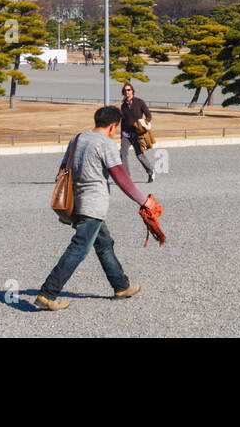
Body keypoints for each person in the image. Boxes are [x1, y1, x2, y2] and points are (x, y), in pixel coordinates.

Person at [35, 106, 153, 311]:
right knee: (78, 249)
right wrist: (143, 201)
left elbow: (63, 168)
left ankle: (121, 286)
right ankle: (48, 293)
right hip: (93, 205)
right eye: (116, 128)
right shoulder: (105, 143)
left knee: (105, 243)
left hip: (75, 202)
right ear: (113, 126)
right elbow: (121, 177)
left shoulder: (78, 138)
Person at [119, 83, 155, 184]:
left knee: (139, 154)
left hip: (137, 134)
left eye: (129, 90)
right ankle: (127, 178)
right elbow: (123, 121)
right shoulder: (123, 105)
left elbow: (149, 116)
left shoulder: (139, 102)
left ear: (132, 91)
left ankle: (150, 171)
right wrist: (121, 135)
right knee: (123, 153)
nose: (127, 92)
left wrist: (144, 125)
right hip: (126, 134)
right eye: (125, 90)